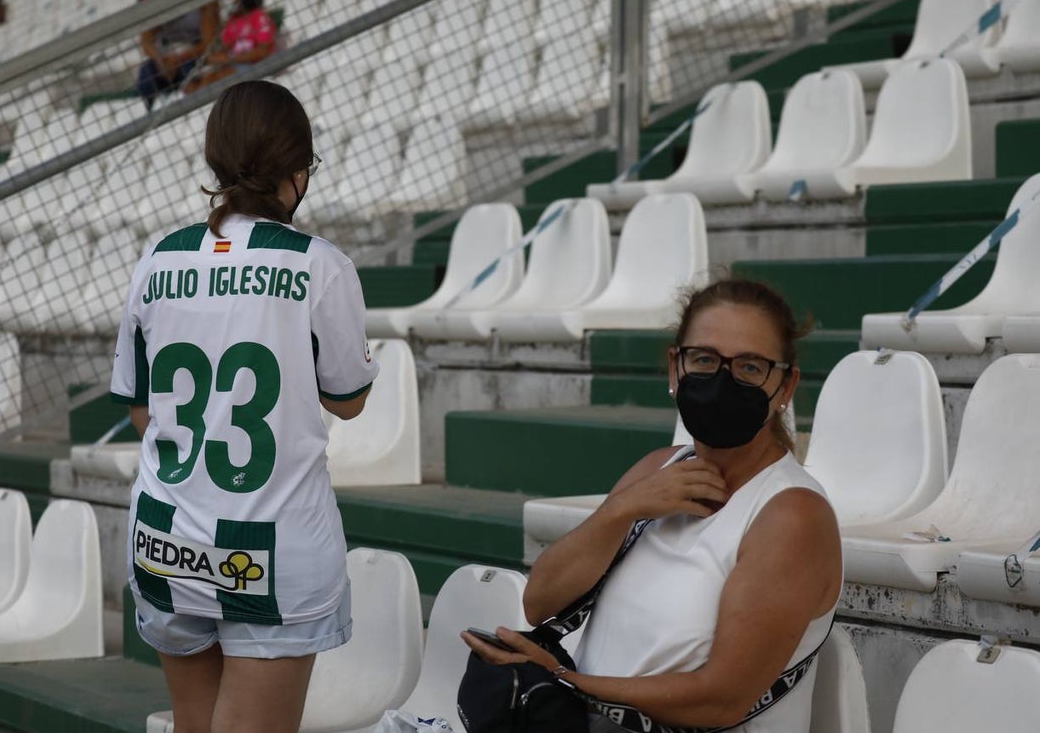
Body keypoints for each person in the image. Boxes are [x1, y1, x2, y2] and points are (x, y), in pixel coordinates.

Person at [110, 80, 377, 733]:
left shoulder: (158, 257)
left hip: (167, 535)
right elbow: (350, 400)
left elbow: (143, 413)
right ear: (296, 170)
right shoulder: (320, 265)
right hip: (274, 546)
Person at [462, 278, 843, 732]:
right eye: (704, 359)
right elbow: (540, 599)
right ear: (674, 368)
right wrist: (623, 508)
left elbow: (720, 700)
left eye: (749, 367)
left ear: (785, 386)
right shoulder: (658, 470)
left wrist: (565, 679)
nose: (723, 380)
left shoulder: (791, 516)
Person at [136, 0, 219, 111]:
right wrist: (161, 60)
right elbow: (146, 40)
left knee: (191, 74)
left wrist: (180, 58)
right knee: (146, 75)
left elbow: (208, 42)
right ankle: (147, 117)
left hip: (195, 54)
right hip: (165, 55)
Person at [184, 0, 276, 94]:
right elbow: (225, 48)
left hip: (255, 66)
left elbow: (263, 51)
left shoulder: (259, 16)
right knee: (194, 84)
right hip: (233, 65)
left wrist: (229, 58)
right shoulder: (232, 20)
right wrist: (216, 58)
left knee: (215, 79)